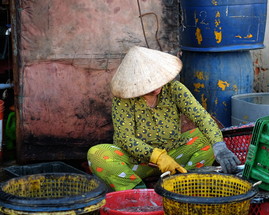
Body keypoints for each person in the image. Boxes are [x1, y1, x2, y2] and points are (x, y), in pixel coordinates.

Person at [87, 46, 240, 191]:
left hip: (174, 157)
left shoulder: (174, 89)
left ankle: (188, 184)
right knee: (97, 154)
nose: (156, 89)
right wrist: (158, 157)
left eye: (157, 81)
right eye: (148, 86)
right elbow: (125, 138)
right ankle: (138, 193)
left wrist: (219, 146)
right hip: (135, 162)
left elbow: (202, 118)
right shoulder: (124, 100)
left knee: (206, 138)